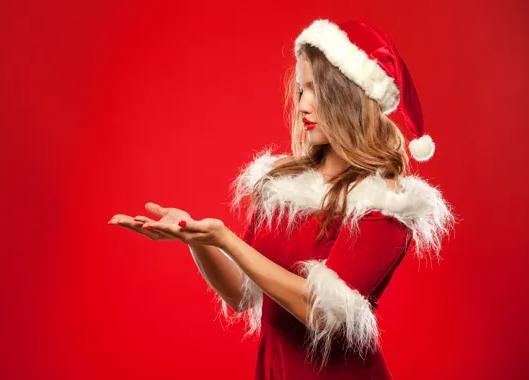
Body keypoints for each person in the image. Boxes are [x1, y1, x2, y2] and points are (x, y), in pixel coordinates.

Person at [108, 19, 455, 380]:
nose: (302, 105)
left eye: (314, 90)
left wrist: (225, 238)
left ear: (347, 97)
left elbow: (322, 312)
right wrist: (198, 241)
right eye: (300, 90)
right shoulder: (283, 186)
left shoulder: (385, 203)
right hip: (276, 368)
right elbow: (242, 295)